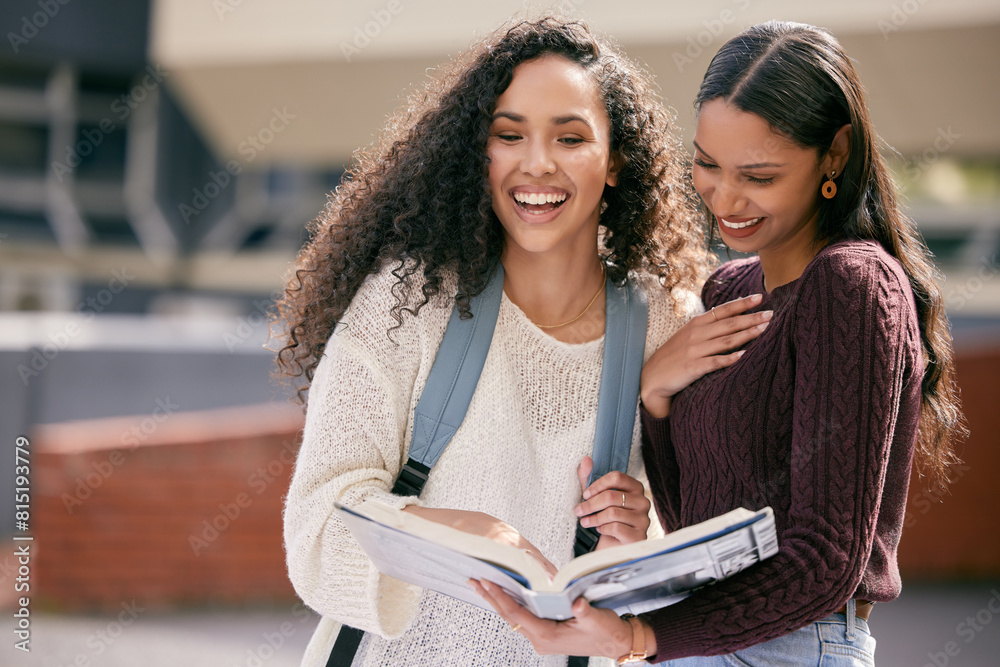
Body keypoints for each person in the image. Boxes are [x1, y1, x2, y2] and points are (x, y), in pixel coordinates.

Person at [473, 20, 965, 665]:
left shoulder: (853, 284)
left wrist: (641, 638)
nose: (724, 199)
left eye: (758, 176)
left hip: (791, 645)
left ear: (835, 156)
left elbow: (827, 560)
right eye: (706, 164)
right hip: (700, 637)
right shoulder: (729, 288)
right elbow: (695, 529)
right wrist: (654, 394)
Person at [276, 17, 716, 667]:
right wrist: (459, 531)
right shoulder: (408, 301)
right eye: (508, 136)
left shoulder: (666, 322)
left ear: (616, 160)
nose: (536, 163)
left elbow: (703, 561)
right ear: (478, 155)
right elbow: (316, 525)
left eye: (570, 137)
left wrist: (638, 529)